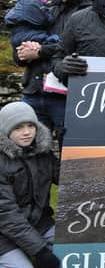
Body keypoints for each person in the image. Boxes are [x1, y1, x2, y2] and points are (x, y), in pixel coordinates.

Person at [13, 0, 93, 146]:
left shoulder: (92, 14)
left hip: (67, 95)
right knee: (31, 152)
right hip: (34, 92)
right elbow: (22, 42)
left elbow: (75, 47)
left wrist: (40, 51)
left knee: (71, 150)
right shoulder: (44, 9)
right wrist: (22, 54)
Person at [0, 101, 60, 268]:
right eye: (18, 128)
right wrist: (40, 251)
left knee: (74, 251)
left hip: (40, 224)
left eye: (30, 126)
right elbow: (6, 215)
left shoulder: (42, 152)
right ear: (6, 130)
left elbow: (67, 178)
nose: (26, 132)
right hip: (4, 235)